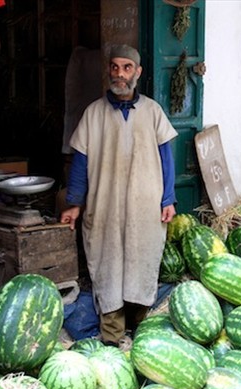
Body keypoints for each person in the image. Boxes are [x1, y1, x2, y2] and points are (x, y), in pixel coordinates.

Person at [60, 44, 178, 346]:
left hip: (145, 207)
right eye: (115, 67)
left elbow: (167, 158)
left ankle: (141, 332)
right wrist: (75, 203)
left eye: (127, 68)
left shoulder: (152, 111)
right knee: (108, 265)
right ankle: (112, 337)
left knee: (142, 261)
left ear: (137, 72)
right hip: (105, 207)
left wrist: (168, 199)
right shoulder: (94, 114)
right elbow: (80, 162)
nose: (120, 74)